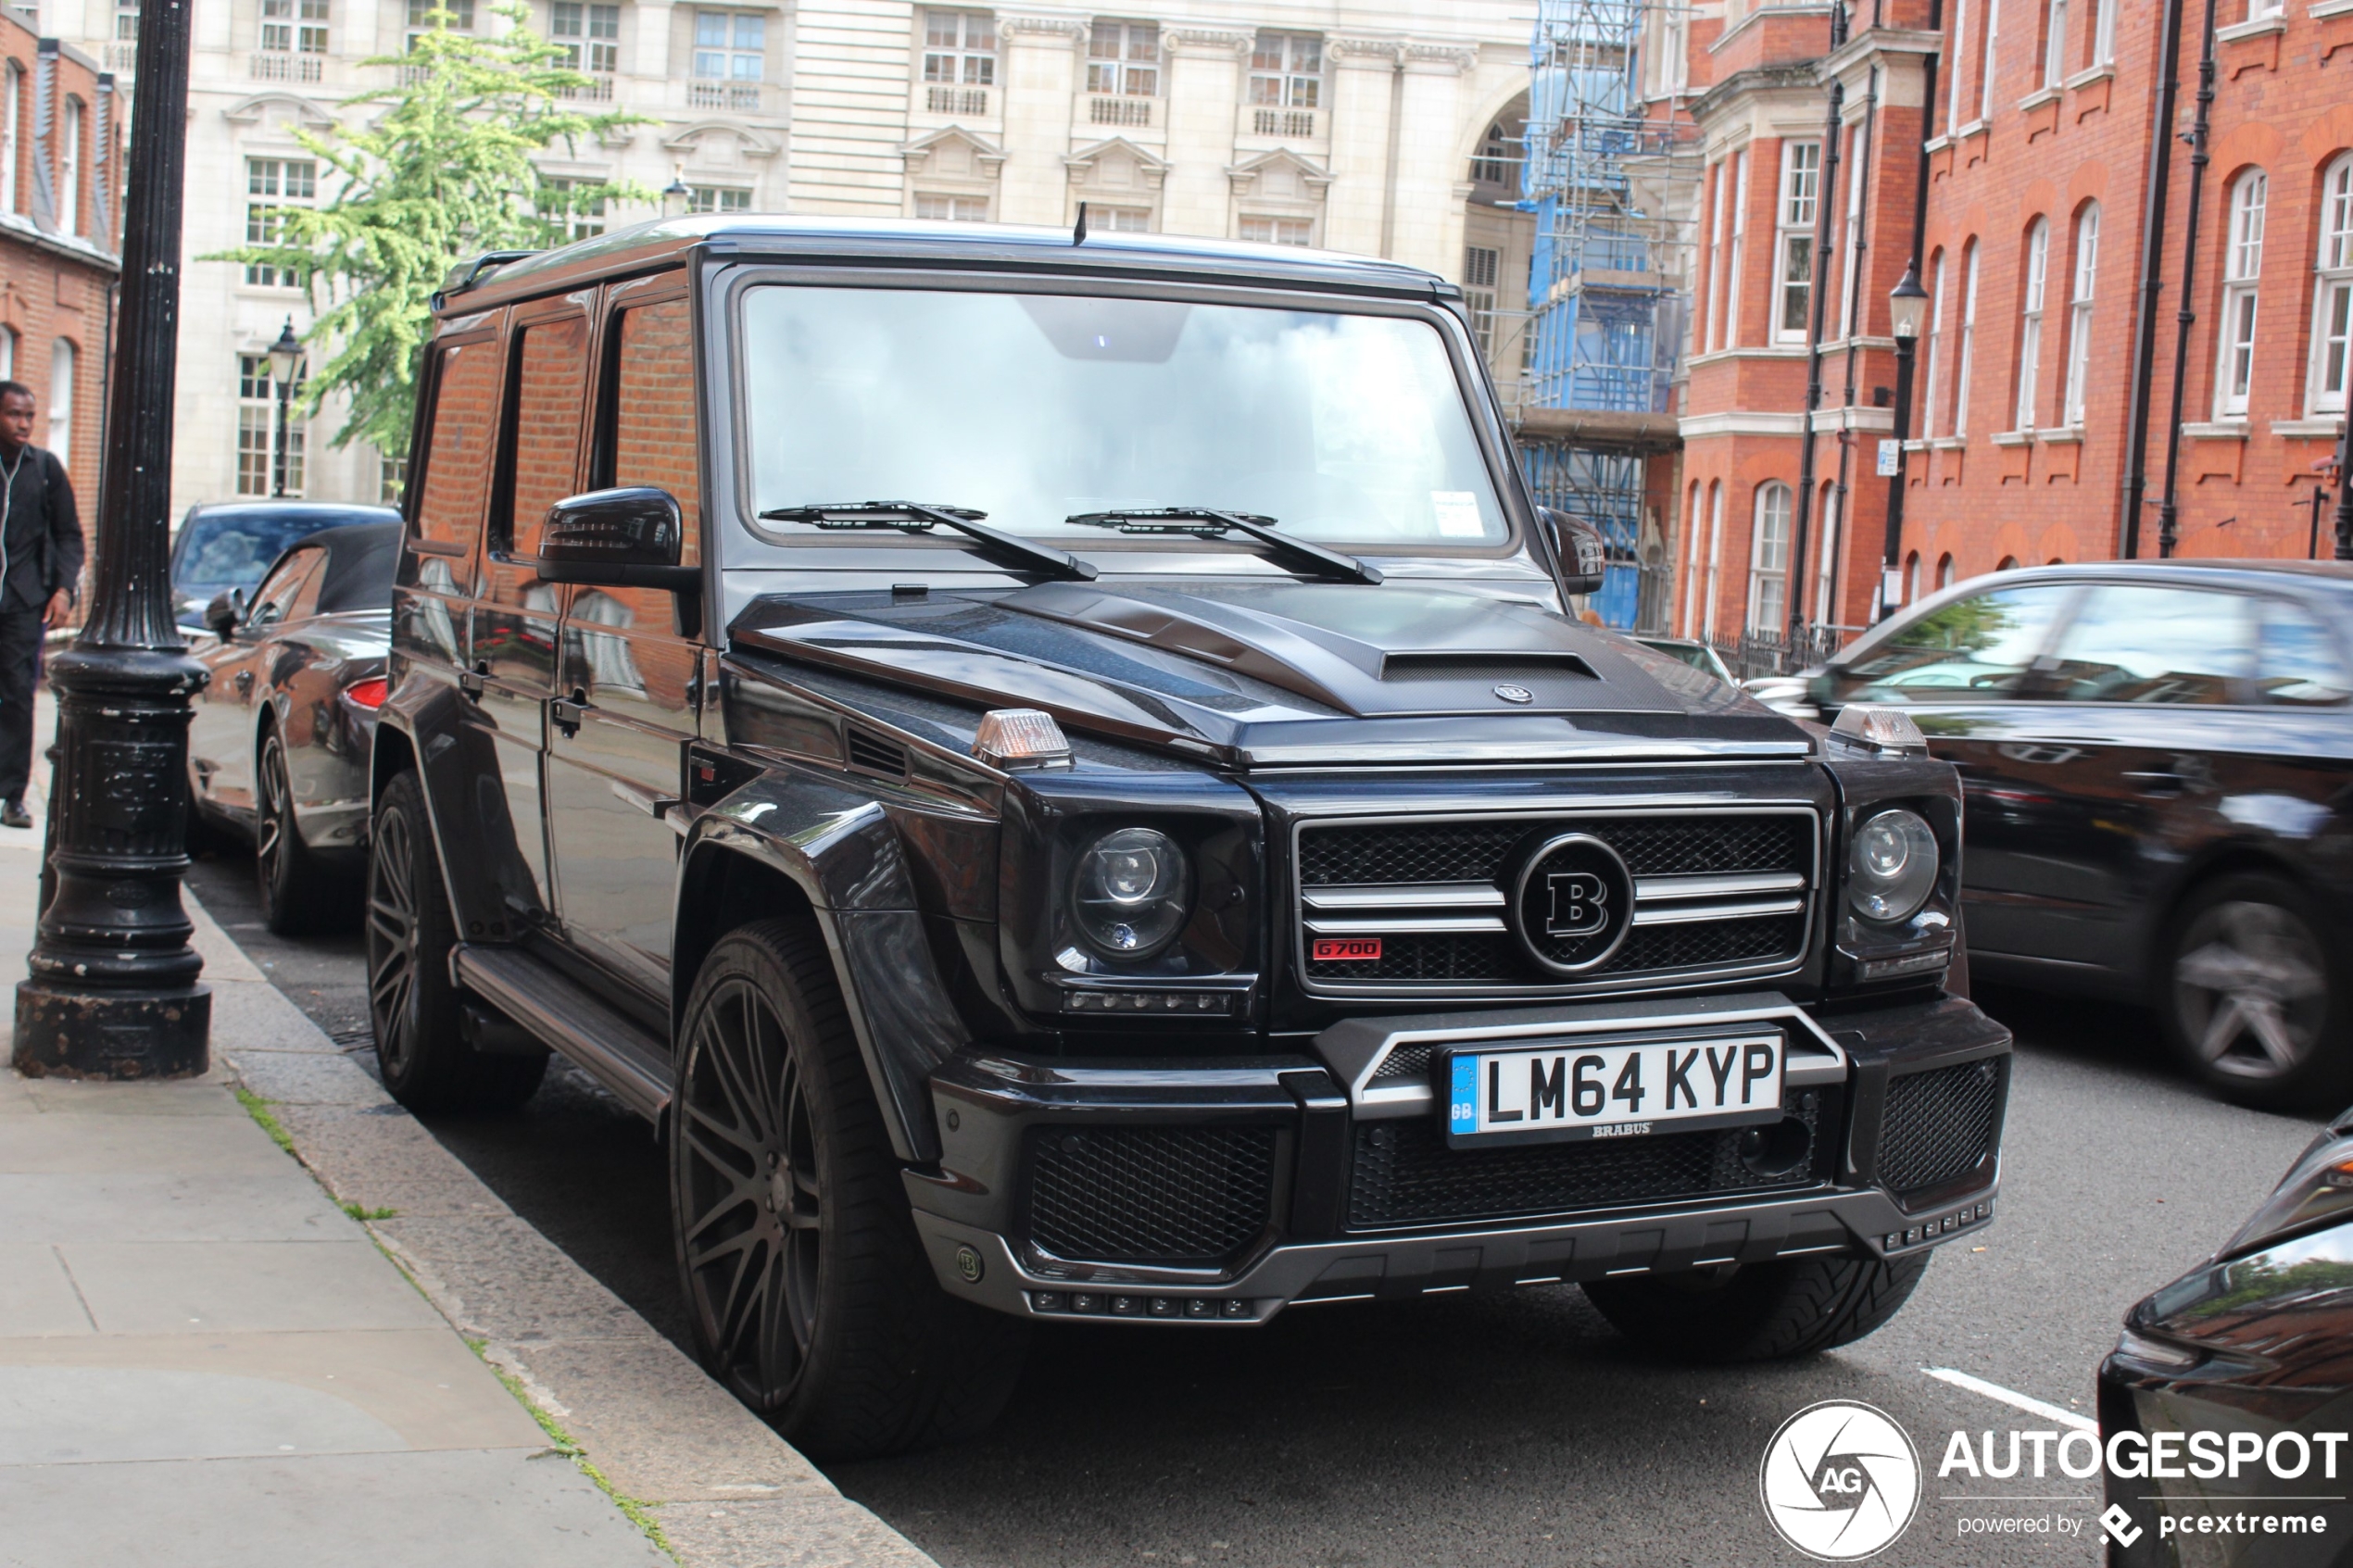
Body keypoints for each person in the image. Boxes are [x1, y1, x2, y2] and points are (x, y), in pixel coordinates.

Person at [0, 380, 83, 831]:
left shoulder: (46, 469)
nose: (25, 424)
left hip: (22, 599)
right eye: (15, 414)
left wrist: (63, 589)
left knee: (17, 697)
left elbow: (70, 534)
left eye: (30, 416)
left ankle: (12, 795)